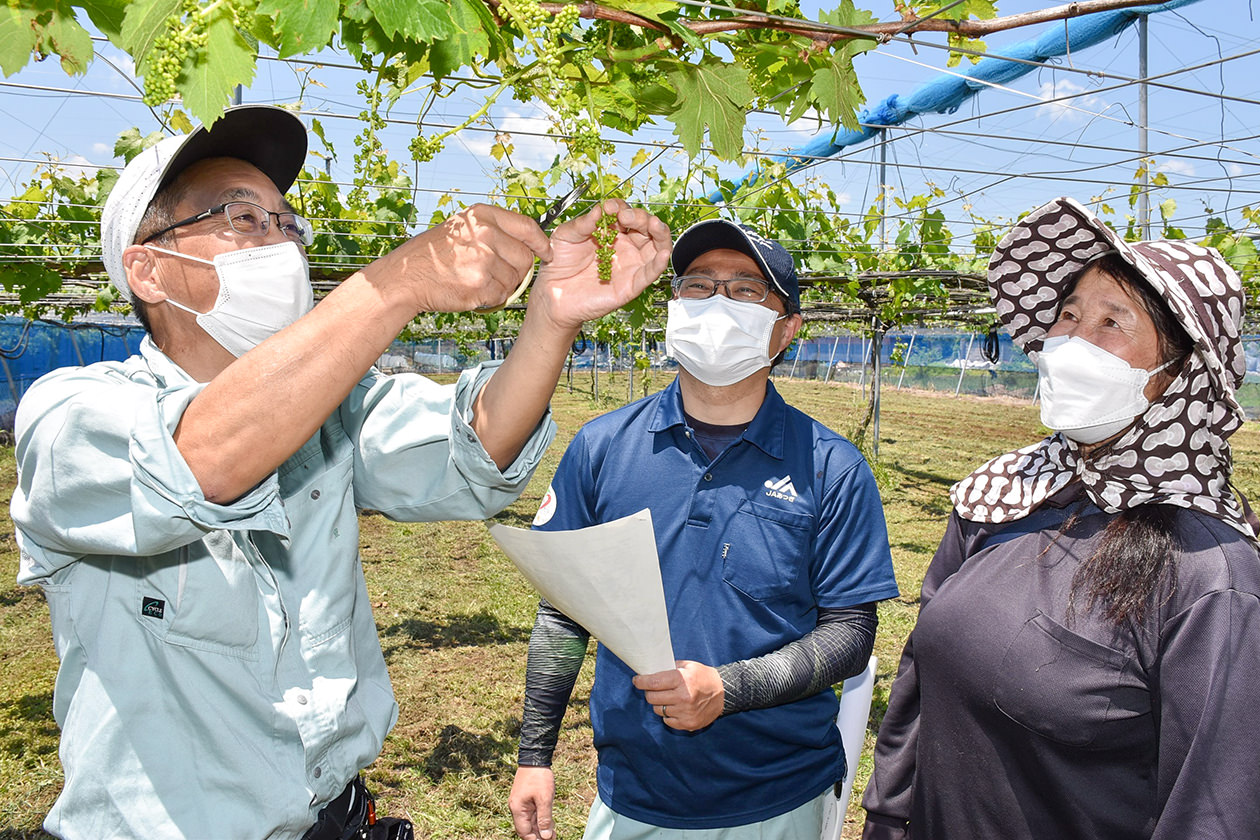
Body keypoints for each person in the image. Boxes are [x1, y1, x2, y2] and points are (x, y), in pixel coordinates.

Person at [10, 104, 671, 840]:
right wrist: (396, 283)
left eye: (287, 224)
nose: (280, 242)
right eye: (243, 218)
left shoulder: (335, 413)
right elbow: (200, 462)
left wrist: (552, 315)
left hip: (336, 819)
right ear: (149, 268)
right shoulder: (71, 414)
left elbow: (476, 448)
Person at [861, 197, 1260, 840]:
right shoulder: (1006, 493)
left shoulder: (1209, 572)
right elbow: (919, 678)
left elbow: (1213, 810)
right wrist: (887, 817)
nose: (1073, 340)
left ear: (1178, 374)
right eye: (1067, 316)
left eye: (1111, 323)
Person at [508, 220, 900, 840]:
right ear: (672, 310)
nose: (717, 304)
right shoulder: (602, 447)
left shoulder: (831, 467)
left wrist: (727, 688)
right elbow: (563, 610)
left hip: (777, 795)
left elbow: (850, 634)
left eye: (746, 291)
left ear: (786, 329)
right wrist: (534, 757)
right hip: (633, 790)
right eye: (698, 286)